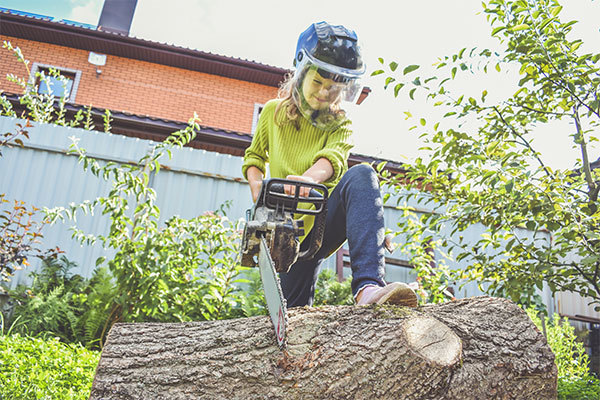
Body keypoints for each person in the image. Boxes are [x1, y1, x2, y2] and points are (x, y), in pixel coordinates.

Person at [242, 21, 417, 308]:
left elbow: (333, 160)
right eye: (318, 83)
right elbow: (254, 158)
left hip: (323, 219)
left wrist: (308, 180)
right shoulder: (273, 112)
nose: (324, 92)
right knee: (293, 312)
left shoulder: (341, 123)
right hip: (286, 227)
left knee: (361, 175)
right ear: (300, 74)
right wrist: (259, 194)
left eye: (334, 88)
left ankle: (369, 288)